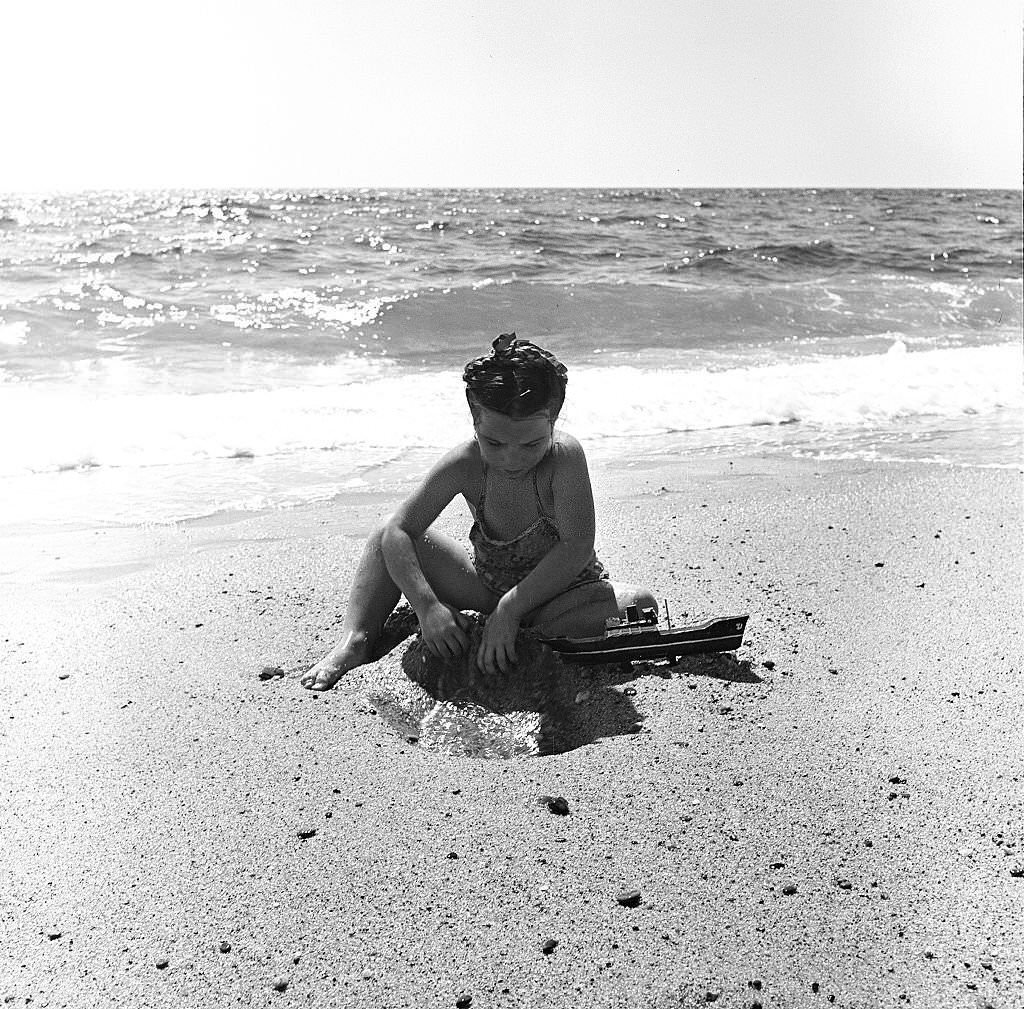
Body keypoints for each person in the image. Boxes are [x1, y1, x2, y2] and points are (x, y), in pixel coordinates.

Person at [301, 332, 657, 690]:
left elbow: (576, 546)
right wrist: (427, 607)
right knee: (385, 534)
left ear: (554, 420)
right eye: (495, 443)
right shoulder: (465, 464)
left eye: (532, 443)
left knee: (640, 605)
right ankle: (355, 641)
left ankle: (527, 637)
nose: (512, 458)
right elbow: (399, 532)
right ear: (475, 422)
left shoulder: (564, 458)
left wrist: (510, 611)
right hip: (487, 588)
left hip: (563, 597)